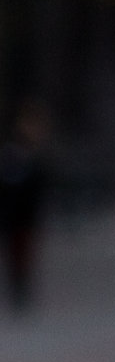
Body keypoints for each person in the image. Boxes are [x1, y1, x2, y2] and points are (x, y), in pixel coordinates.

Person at [0, 106, 53, 313]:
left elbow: (38, 191)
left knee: (23, 255)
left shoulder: (33, 163)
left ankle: (21, 289)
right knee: (14, 256)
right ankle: (17, 289)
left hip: (25, 218)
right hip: (14, 218)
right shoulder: (10, 160)